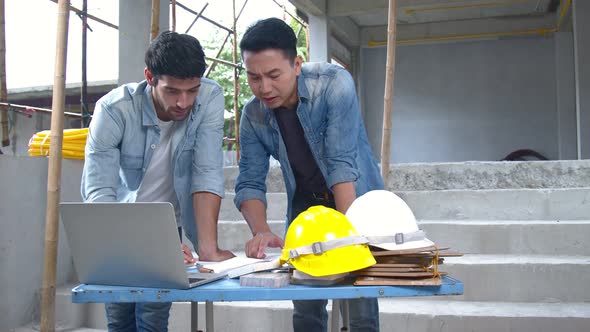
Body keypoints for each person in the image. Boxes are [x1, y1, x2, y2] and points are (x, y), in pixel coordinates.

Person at [234, 18, 384, 332]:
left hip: (353, 202)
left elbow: (342, 165)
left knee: (360, 309)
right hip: (307, 211)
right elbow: (249, 179)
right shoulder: (253, 114)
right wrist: (260, 232)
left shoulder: (333, 83)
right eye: (254, 77)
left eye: (274, 75)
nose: (264, 88)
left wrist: (350, 240)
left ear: (297, 64)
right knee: (306, 308)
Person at [81, 31, 234, 332]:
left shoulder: (210, 98)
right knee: (120, 319)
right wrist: (139, 244)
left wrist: (208, 247)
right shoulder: (113, 110)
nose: (184, 102)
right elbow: (99, 192)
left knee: (152, 319)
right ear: (149, 77)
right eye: (173, 91)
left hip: (166, 224)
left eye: (192, 90)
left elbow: (206, 170)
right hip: (118, 225)